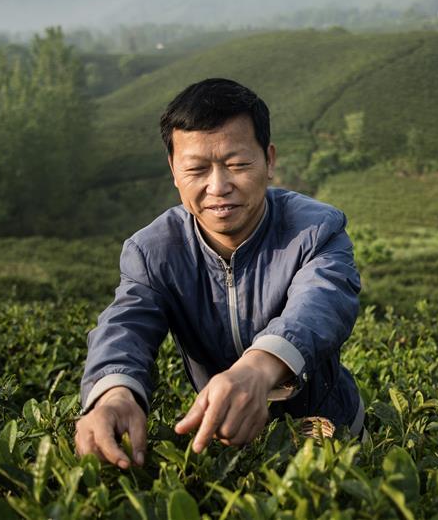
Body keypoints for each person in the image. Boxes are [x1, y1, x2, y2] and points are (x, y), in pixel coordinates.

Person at [75, 78, 364, 469]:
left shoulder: (315, 229)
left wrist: (259, 367)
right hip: (224, 448)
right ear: (174, 171)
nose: (218, 186)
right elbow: (127, 324)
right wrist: (114, 392)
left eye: (238, 164)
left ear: (270, 160)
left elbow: (321, 304)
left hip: (330, 437)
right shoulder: (153, 251)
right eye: (196, 169)